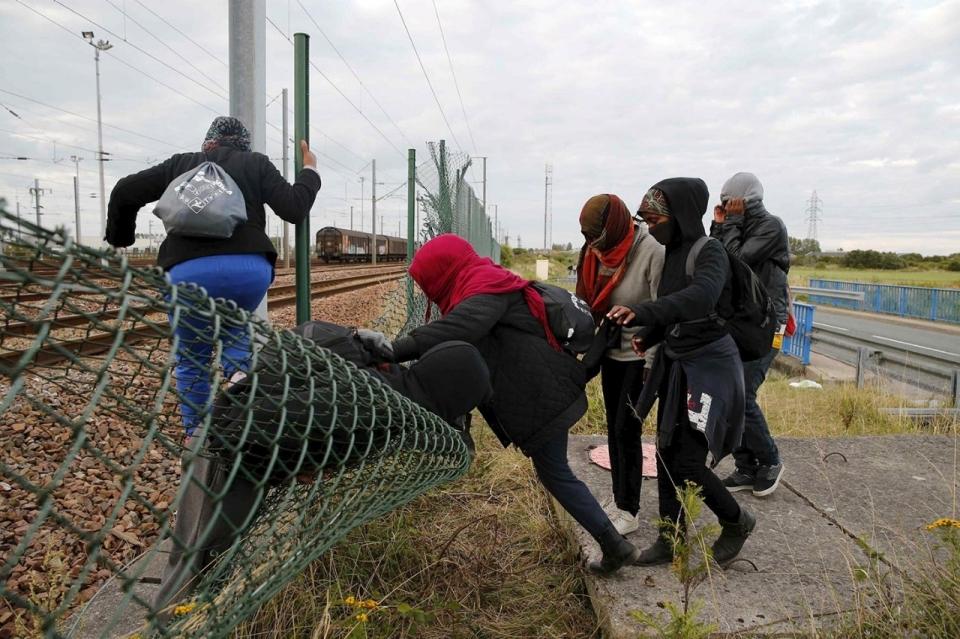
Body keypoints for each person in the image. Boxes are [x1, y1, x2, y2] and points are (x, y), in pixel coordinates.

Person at [154, 322, 492, 616]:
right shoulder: (374, 408)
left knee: (210, 559)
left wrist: (305, 461)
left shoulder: (391, 381)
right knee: (196, 561)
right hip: (225, 454)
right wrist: (297, 465)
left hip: (240, 453)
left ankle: (196, 618)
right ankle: (169, 628)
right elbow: (259, 424)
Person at [392, 234, 640, 574]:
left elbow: (460, 329)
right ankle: (613, 543)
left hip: (540, 397)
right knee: (555, 473)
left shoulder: (485, 290)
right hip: (538, 391)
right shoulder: (479, 282)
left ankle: (614, 544)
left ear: (443, 270)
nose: (426, 291)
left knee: (556, 474)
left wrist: (393, 350)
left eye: (426, 281)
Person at [104, 116, 322, 436]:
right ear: (244, 144)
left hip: (188, 273)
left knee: (193, 355)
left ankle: (197, 439)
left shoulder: (181, 165)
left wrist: (121, 238)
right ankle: (242, 423)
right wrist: (310, 171)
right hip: (247, 272)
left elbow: (125, 190)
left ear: (208, 141)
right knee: (237, 337)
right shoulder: (255, 164)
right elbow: (293, 208)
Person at [607, 178, 755, 566]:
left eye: (655, 220)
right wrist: (651, 334)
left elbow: (700, 298)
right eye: (646, 221)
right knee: (667, 451)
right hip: (679, 361)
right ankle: (671, 538)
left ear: (680, 216)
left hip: (709, 368)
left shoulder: (711, 253)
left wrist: (643, 313)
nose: (651, 228)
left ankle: (737, 520)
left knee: (688, 460)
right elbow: (674, 306)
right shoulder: (671, 252)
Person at [575, 194, 663, 535]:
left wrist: (651, 363)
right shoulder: (594, 252)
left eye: (597, 239)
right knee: (614, 427)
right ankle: (619, 498)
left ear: (613, 228)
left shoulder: (652, 251)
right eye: (588, 240)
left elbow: (663, 310)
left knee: (629, 430)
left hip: (639, 358)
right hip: (611, 351)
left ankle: (630, 511)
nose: (593, 248)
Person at [710, 172, 789, 497]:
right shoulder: (736, 225)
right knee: (730, 394)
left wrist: (731, 223)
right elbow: (715, 259)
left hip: (767, 325)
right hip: (742, 322)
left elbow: (737, 260)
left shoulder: (772, 226)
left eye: (732, 204)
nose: (728, 208)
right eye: (726, 205)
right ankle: (746, 466)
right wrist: (718, 226)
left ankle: (770, 460)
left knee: (745, 396)